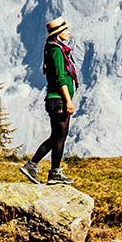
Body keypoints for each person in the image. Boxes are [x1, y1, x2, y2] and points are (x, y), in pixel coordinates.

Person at [21, 16, 78, 184]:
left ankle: (47, 170)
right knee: (58, 137)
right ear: (59, 34)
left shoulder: (56, 49)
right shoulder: (56, 51)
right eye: (66, 30)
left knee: (58, 136)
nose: (68, 32)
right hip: (58, 100)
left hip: (57, 100)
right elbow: (60, 77)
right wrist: (68, 100)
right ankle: (43, 168)